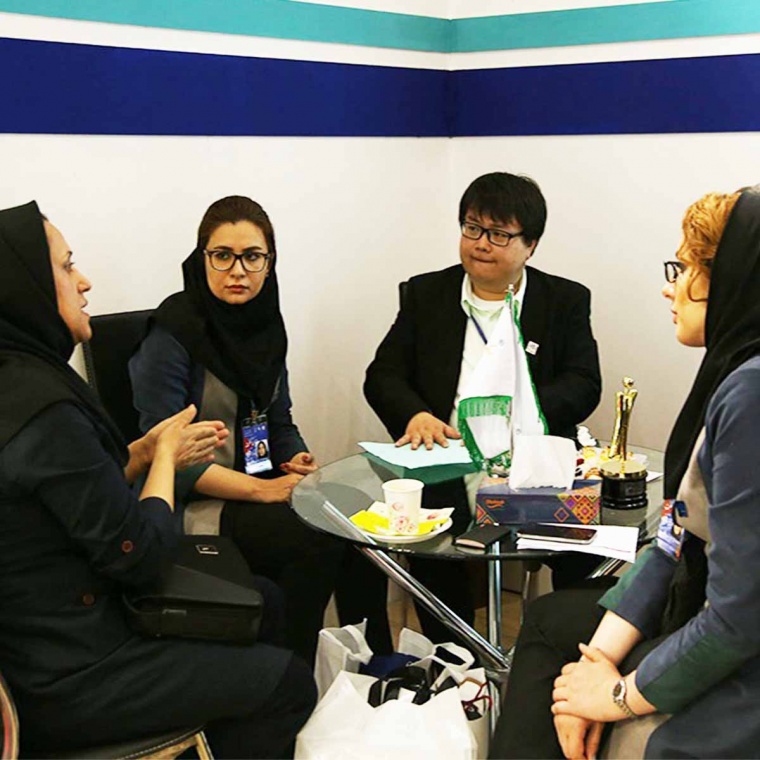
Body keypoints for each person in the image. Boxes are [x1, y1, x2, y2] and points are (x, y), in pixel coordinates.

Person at [0, 201, 316, 758]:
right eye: (67, 266)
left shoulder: (27, 379)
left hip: (71, 613)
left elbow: (78, 490)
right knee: (288, 682)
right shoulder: (46, 409)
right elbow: (142, 556)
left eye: (253, 257)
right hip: (75, 665)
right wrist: (165, 457)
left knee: (267, 599)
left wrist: (143, 453)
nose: (84, 281)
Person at [490, 186, 760, 759]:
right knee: (553, 629)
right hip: (707, 607)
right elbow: (673, 542)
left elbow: (741, 616)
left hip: (741, 658)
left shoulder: (751, 393)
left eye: (683, 268)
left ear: (735, 278)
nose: (669, 286)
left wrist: (616, 695)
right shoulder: (734, 372)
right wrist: (595, 664)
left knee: (564, 663)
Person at [363, 172, 602, 641]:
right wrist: (415, 415)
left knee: (583, 554)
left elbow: (584, 383)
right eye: (472, 228)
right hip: (447, 456)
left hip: (532, 459)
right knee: (432, 548)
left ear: (530, 245)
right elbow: (382, 376)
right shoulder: (427, 294)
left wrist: (526, 413)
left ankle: (564, 654)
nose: (481, 244)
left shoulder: (564, 300)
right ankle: (456, 662)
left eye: (498, 234)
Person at [129, 195, 343, 663]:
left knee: (351, 528)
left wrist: (296, 458)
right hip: (190, 503)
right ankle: (292, 674)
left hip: (252, 488)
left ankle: (368, 667)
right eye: (222, 256)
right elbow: (166, 457)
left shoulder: (267, 326)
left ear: (270, 262)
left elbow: (278, 421)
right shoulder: (172, 333)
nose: (237, 271)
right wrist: (262, 490)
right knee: (314, 538)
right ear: (201, 258)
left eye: (252, 257)